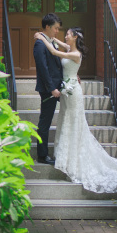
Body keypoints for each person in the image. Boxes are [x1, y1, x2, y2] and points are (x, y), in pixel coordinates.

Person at [34, 27, 117, 193]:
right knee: (65, 120)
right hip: (67, 91)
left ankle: (73, 158)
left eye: (67, 34)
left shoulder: (75, 54)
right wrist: (50, 37)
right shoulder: (70, 48)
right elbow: (57, 44)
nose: (64, 36)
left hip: (73, 93)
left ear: (74, 37)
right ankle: (65, 156)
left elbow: (53, 52)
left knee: (74, 123)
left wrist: (41, 38)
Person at [33, 13, 64, 165]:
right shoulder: (40, 44)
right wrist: (51, 89)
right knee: (45, 122)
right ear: (47, 27)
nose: (57, 31)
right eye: (56, 28)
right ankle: (42, 155)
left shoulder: (50, 41)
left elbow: (57, 65)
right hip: (49, 90)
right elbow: (43, 68)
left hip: (59, 87)